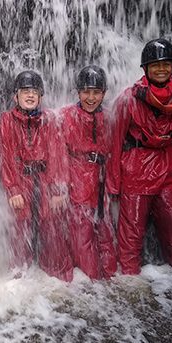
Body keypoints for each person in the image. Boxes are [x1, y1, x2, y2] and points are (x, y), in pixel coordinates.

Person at [108, 38, 172, 275]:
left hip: (167, 174)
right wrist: (114, 184)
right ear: (145, 68)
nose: (161, 69)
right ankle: (130, 284)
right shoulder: (128, 99)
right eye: (155, 65)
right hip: (135, 174)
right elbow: (114, 143)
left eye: (165, 64)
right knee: (131, 235)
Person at [0, 70, 73, 281]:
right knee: (20, 230)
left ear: (41, 96)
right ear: (16, 96)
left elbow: (58, 155)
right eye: (25, 91)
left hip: (46, 180)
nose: (30, 95)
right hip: (21, 180)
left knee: (52, 227)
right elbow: (6, 157)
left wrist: (58, 190)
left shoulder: (49, 119)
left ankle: (57, 277)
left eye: (35, 92)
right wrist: (13, 190)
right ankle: (18, 276)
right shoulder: (7, 121)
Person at [56, 66, 117, 280]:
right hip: (77, 181)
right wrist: (62, 186)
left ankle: (109, 278)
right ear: (78, 92)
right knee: (83, 235)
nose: (91, 98)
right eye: (86, 92)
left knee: (106, 233)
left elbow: (115, 151)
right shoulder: (65, 116)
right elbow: (58, 154)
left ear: (104, 93)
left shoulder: (109, 117)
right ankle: (94, 281)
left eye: (96, 92)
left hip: (101, 183)